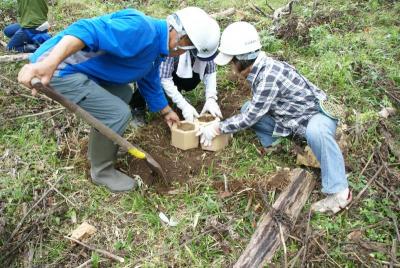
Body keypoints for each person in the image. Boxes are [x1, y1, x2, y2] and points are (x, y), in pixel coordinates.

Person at [18, 7, 220, 192]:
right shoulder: (141, 30)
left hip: (83, 71)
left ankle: (105, 147)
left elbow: (148, 78)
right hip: (60, 69)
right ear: (180, 33)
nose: (184, 53)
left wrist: (166, 110)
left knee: (123, 93)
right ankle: (102, 171)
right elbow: (85, 29)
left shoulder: (157, 48)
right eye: (188, 47)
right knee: (117, 113)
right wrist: (50, 63)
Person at [197, 22, 351, 214]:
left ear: (242, 60)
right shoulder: (260, 68)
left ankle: (339, 192)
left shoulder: (269, 76)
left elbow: (250, 117)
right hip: (291, 117)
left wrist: (217, 128)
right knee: (247, 107)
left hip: (317, 116)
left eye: (231, 62)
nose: (231, 67)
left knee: (315, 131)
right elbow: (254, 110)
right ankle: (276, 144)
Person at [129, 12, 222, 125]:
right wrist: (183, 105)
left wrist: (211, 98)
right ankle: (137, 107)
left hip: (175, 71)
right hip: (153, 74)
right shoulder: (172, 44)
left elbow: (211, 71)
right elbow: (163, 77)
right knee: (148, 76)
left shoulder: (205, 42)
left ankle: (172, 97)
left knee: (190, 81)